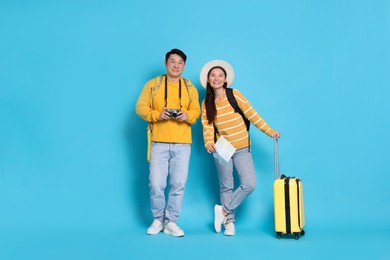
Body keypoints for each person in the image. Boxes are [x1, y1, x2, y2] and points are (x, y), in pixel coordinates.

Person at [199, 60, 280, 236]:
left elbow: (253, 115)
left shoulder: (235, 95)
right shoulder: (206, 103)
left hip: (242, 147)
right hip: (222, 149)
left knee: (249, 183)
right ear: (208, 80)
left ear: (225, 79)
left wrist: (270, 131)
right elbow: (207, 127)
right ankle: (229, 223)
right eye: (213, 75)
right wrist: (208, 142)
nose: (217, 78)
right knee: (226, 186)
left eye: (220, 75)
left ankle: (223, 211)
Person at [136, 49, 200, 237]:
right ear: (165, 63)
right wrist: (157, 115)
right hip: (159, 142)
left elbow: (196, 110)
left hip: (182, 143)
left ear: (184, 66)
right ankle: (158, 220)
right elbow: (140, 107)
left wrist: (187, 115)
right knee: (156, 183)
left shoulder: (189, 87)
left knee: (178, 183)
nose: (176, 65)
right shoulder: (153, 85)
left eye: (180, 62)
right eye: (172, 61)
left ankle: (171, 221)